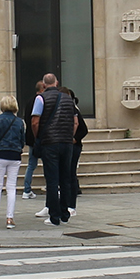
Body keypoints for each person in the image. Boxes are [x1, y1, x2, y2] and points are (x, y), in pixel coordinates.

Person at [31, 73, 76, 226]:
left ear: (43, 85)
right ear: (57, 83)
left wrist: (38, 137)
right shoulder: (69, 99)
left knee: (52, 179)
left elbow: (35, 122)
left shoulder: (40, 98)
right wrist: (69, 136)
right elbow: (74, 122)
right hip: (66, 142)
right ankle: (65, 212)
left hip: (49, 143)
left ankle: (54, 216)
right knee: (65, 179)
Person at [0, 96, 26, 227]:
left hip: (0, 154)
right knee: (11, 187)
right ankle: (10, 218)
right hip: (15, 155)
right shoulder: (19, 121)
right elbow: (22, 140)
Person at [60, 86, 87, 221]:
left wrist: (74, 139)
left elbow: (83, 129)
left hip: (74, 146)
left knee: (70, 174)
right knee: (66, 174)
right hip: (67, 144)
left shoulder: (74, 110)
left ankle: (72, 205)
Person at [20, 78, 46, 199]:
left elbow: (27, 118)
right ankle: (51, 187)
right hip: (41, 137)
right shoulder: (42, 100)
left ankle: (27, 189)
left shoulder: (29, 101)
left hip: (31, 137)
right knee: (47, 163)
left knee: (31, 164)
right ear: (42, 89)